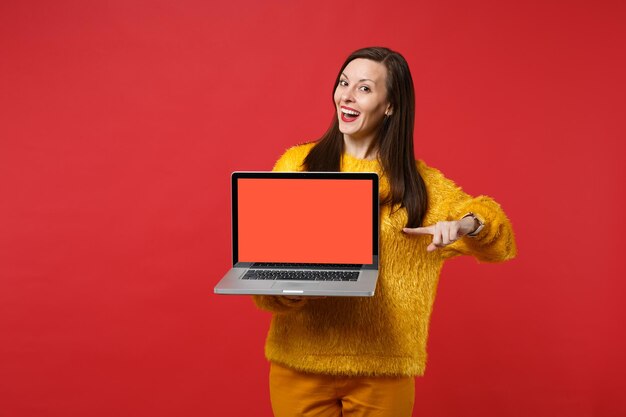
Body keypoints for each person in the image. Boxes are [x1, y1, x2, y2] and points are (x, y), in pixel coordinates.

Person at [253, 46, 517, 417]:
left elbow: (498, 237)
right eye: (343, 83)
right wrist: (291, 291)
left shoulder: (422, 186)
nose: (346, 95)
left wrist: (464, 225)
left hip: (384, 370)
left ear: (390, 105)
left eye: (363, 88)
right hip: (298, 362)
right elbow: (266, 268)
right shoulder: (298, 164)